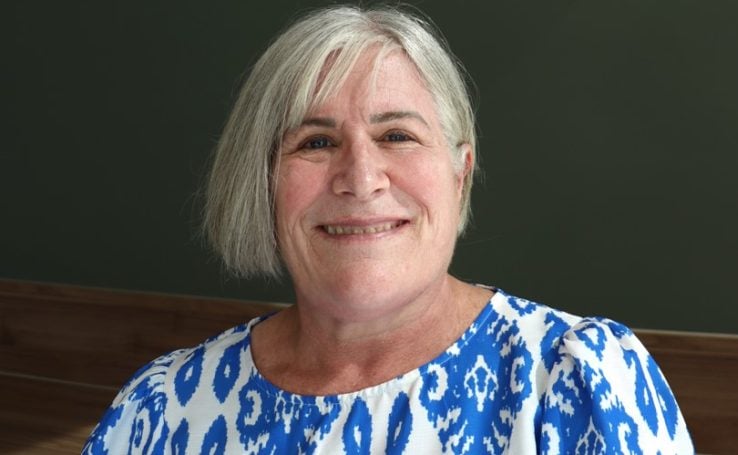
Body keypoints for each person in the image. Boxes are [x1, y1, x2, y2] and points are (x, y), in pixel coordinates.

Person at [84, 5, 693, 454]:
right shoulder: (161, 406)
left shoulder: (574, 377)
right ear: (262, 181)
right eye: (316, 142)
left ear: (460, 174)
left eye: (397, 135)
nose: (361, 177)